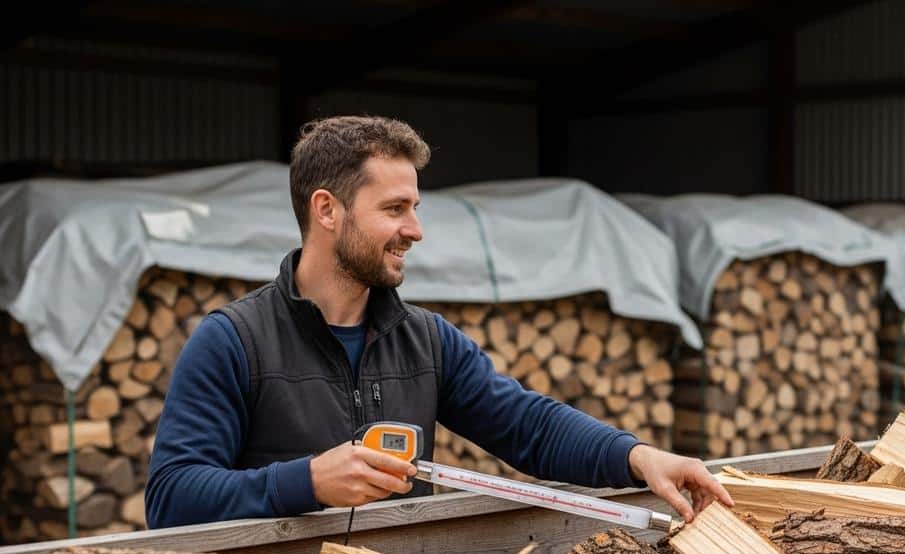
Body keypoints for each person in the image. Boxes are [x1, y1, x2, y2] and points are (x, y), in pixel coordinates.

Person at [145, 115, 732, 529]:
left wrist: (638, 457)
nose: (416, 230)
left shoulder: (425, 340)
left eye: (415, 208)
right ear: (327, 210)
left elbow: (529, 426)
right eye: (394, 209)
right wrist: (305, 483)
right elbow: (171, 497)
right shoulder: (232, 342)